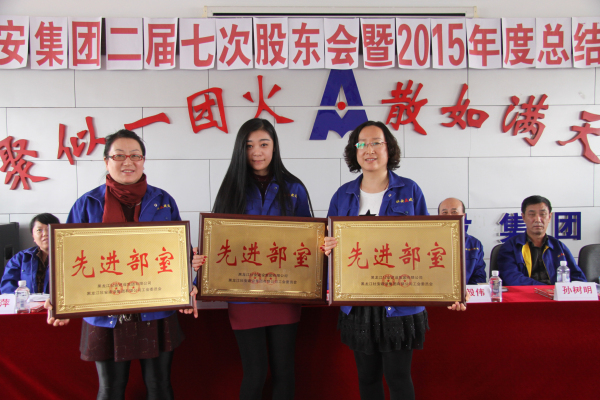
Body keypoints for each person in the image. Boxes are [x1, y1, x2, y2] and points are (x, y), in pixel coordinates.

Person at [46, 129, 201, 400]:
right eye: (119, 156)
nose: (127, 162)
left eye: (135, 156)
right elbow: (66, 256)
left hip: (155, 309)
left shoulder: (163, 201)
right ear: (106, 161)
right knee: (110, 390)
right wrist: (57, 297)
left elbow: (177, 251)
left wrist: (191, 267)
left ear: (143, 161)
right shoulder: (87, 204)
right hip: (105, 311)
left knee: (160, 386)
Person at [322, 121, 466, 400]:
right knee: (367, 378)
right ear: (354, 151)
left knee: (398, 379)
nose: (369, 149)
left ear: (389, 149)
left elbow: (431, 242)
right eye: (362, 144)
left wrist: (452, 289)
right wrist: (327, 246)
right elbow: (328, 244)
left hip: (400, 300)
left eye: (376, 142)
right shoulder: (343, 194)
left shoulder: (409, 190)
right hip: (359, 302)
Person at [196, 118, 313, 400]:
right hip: (243, 295)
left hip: (284, 292)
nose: (257, 152)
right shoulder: (231, 187)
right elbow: (217, 240)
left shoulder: (294, 187)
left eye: (263, 144)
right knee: (255, 372)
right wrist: (200, 277)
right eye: (249, 146)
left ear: (274, 147)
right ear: (241, 149)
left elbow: (308, 240)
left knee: (284, 371)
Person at [496, 195, 586, 286]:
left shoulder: (558, 246)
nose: (538, 219)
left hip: (555, 294)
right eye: (532, 214)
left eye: (543, 214)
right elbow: (512, 278)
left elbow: (578, 277)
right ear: (523, 217)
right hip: (528, 293)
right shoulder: (511, 246)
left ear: (549, 217)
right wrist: (546, 289)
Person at [1, 213, 60, 294]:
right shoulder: (20, 258)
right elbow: (7, 288)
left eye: (49, 229)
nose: (45, 234)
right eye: (39, 230)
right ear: (33, 235)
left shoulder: (69, 257)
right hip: (27, 302)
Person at [438, 197, 487, 284]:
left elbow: (479, 277)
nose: (449, 216)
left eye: (454, 212)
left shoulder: (474, 244)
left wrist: (465, 290)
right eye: (444, 212)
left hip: (466, 291)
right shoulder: (427, 242)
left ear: (463, 216)